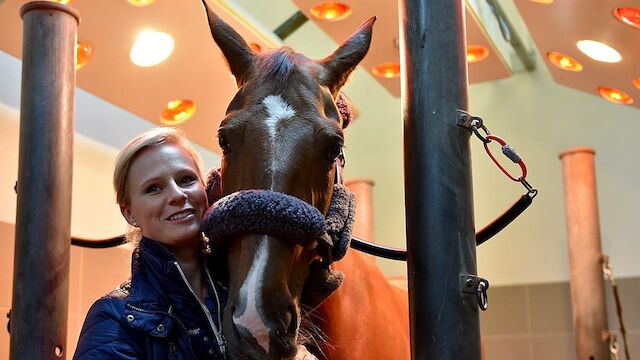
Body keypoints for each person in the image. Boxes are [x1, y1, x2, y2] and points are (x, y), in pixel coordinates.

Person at [74, 127, 227, 359]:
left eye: (186, 180)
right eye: (154, 188)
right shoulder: (113, 317)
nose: (177, 195)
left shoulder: (243, 290)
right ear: (130, 214)